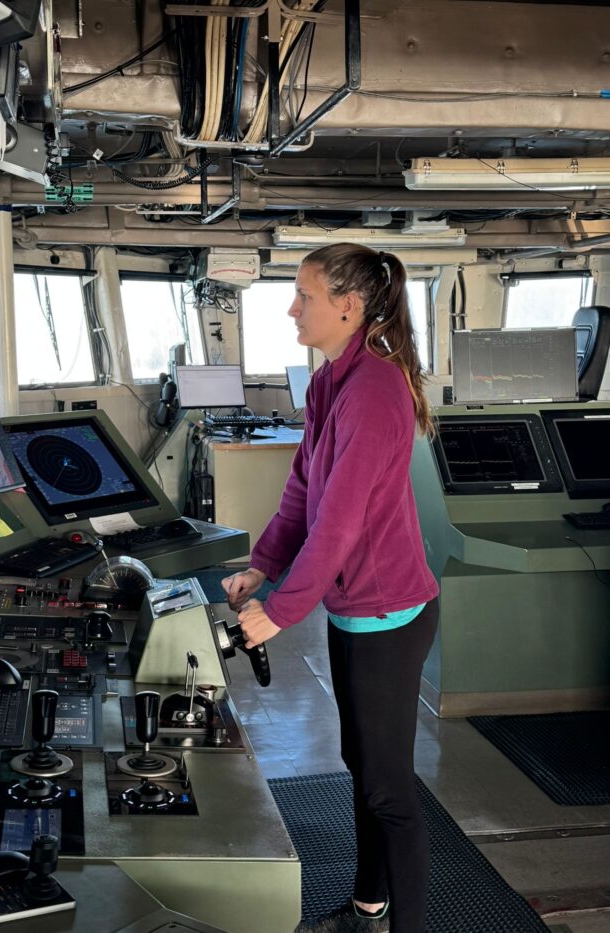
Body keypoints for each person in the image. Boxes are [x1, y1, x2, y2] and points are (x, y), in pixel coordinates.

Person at [222, 243, 439, 933]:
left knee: (389, 789)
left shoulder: (374, 390)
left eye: (303, 294)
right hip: (353, 612)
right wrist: (263, 563)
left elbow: (340, 526)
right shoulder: (328, 384)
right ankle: (368, 907)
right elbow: (303, 491)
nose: (292, 306)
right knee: (361, 766)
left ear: (348, 306)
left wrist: (278, 611)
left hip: (390, 613)